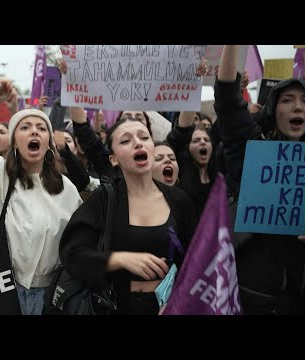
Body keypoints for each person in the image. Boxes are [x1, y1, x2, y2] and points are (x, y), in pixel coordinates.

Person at [0, 75, 82, 315]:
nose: (34, 132)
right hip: (4, 292)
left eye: (41, 128)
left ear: (49, 143)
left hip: (51, 298)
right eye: (25, 127)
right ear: (14, 142)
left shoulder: (67, 189)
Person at [60, 116, 196, 314]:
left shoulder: (179, 200)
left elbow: (196, 258)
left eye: (144, 137)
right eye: (125, 140)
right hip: (118, 306)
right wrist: (119, 259)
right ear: (113, 159)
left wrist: (178, 300)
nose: (138, 143)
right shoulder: (104, 199)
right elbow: (72, 254)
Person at [215, 45, 305, 314]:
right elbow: (228, 98)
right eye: (287, 100)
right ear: (273, 111)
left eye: (304, 100)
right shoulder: (251, 149)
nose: (298, 106)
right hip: (253, 294)